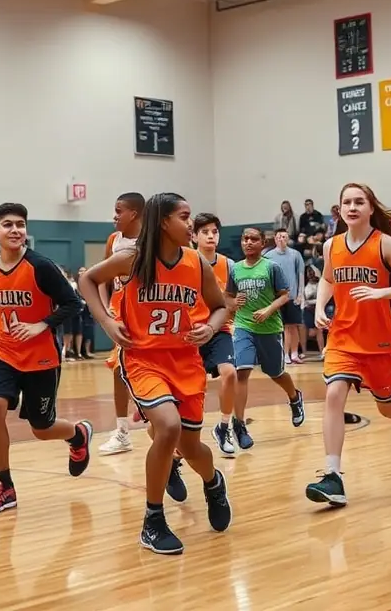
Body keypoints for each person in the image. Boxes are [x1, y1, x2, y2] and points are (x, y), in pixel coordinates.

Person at [79, 192, 232, 555]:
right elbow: (87, 281)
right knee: (167, 426)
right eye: (185, 216)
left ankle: (212, 482)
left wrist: (210, 329)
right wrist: (106, 321)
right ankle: (152, 520)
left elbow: (220, 308)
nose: (191, 224)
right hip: (144, 359)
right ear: (163, 221)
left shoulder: (196, 262)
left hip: (185, 362)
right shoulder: (132, 258)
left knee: (192, 448)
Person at [305, 185, 391, 507]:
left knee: (386, 405)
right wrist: (320, 307)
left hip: (380, 341)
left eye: (359, 201)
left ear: (371, 208)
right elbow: (329, 280)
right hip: (344, 336)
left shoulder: (385, 244)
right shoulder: (332, 245)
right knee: (333, 395)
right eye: (346, 201)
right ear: (339, 209)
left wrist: (381, 293)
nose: (352, 206)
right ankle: (332, 475)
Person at [0, 203, 92, 516]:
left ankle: (78, 434)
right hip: (4, 353)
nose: (15, 230)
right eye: (7, 225)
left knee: (41, 429)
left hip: (41, 357)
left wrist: (41, 324)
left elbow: (74, 303)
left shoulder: (40, 266)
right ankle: (5, 486)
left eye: (20, 225)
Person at [228, 226, 306, 450]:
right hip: (244, 327)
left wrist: (268, 310)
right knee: (241, 371)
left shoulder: (271, 267)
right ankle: (239, 424)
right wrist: (233, 304)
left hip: (269, 329)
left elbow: (284, 296)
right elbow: (227, 297)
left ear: (263, 243)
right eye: (245, 239)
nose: (249, 242)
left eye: (254, 239)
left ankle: (294, 397)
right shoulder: (235, 269)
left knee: (276, 373)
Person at [97, 192, 145, 456]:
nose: (114, 216)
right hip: (120, 315)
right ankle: (122, 430)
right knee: (118, 370)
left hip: (145, 315)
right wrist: (106, 310)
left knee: (144, 369)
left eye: (119, 210)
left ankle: (148, 409)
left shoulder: (150, 242)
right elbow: (102, 278)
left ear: (134, 214)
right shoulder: (114, 240)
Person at [193, 212, 238, 456]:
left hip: (219, 329)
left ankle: (223, 426)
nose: (211, 236)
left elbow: (230, 302)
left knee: (229, 373)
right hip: (192, 332)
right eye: (205, 232)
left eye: (215, 231)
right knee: (193, 388)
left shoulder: (228, 265)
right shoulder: (187, 262)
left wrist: (233, 305)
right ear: (194, 236)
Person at [263, 228, 306, 364]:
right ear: (275, 239)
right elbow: (267, 278)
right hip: (277, 297)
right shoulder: (268, 256)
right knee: (283, 327)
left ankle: (294, 353)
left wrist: (300, 294)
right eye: (279, 237)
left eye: (285, 237)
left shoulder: (295, 254)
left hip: (292, 296)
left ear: (288, 239)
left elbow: (300, 274)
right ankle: (285, 354)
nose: (282, 239)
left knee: (293, 326)